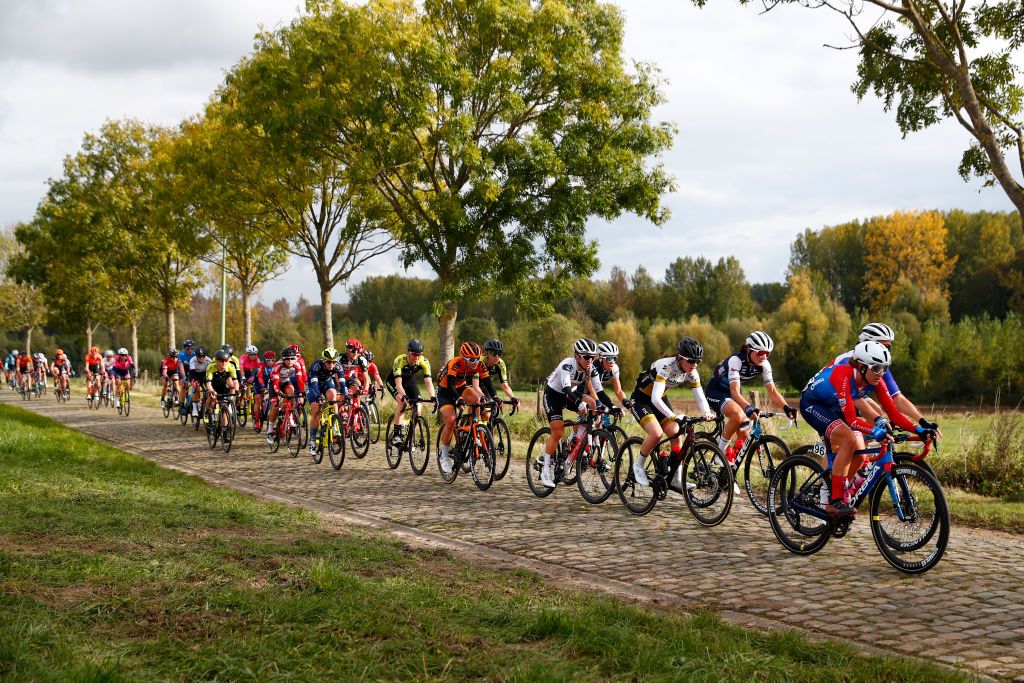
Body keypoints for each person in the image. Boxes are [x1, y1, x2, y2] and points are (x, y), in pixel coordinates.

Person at [800, 341, 935, 516]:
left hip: (833, 406)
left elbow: (893, 414)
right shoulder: (844, 376)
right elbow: (852, 419)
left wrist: (919, 430)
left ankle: (837, 492)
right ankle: (834, 501)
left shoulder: (875, 380)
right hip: (813, 404)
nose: (882, 373)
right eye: (877, 368)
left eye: (885, 368)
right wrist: (876, 431)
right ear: (862, 367)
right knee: (848, 439)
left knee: (860, 453)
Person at [628, 337, 715, 491]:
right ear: (680, 358)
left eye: (697, 362)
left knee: (677, 434)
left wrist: (707, 413)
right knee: (656, 433)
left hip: (660, 399)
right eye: (691, 361)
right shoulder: (666, 366)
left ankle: (675, 479)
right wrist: (673, 416)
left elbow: (699, 395)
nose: (694, 365)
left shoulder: (691, 372)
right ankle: (638, 466)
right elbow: (654, 398)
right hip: (642, 400)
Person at [829, 322, 942, 438]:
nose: (886, 351)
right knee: (868, 423)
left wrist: (923, 422)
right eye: (883, 346)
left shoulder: (878, 367)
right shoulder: (849, 362)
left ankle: (865, 452)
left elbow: (898, 399)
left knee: (877, 414)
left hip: (853, 397)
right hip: (829, 399)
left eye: (889, 347)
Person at [704, 331, 797, 463]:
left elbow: (772, 391)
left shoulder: (764, 365)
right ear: (749, 350)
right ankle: (719, 455)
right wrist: (748, 408)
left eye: (767, 353)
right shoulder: (736, 360)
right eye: (760, 353)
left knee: (744, 439)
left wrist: (786, 407)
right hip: (716, 392)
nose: (764, 357)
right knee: (737, 415)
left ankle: (727, 475)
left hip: (732, 393)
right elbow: (735, 392)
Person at [538, 338, 602, 488]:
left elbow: (599, 391)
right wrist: (579, 403)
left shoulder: (590, 368)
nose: (590, 360)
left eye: (593, 357)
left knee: (592, 408)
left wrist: (607, 406)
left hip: (568, 396)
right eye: (587, 357)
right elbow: (567, 388)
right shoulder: (567, 365)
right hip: (553, 395)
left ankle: (574, 440)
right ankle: (546, 469)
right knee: (558, 431)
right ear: (577, 356)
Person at [436, 341, 489, 476]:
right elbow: (450, 385)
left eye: (477, 359)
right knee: (451, 420)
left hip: (460, 388)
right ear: (464, 358)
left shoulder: (479, 365)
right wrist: (458, 399)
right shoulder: (455, 363)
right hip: (446, 391)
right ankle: (444, 455)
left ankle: (475, 430)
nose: (475, 362)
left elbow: (488, 382)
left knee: (476, 399)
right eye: (471, 360)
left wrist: (495, 397)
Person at [387, 339, 437, 447]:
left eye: (419, 355)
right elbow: (398, 384)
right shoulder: (399, 360)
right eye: (414, 354)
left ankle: (409, 431)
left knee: (418, 409)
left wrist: (433, 396)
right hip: (394, 382)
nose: (417, 357)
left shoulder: (424, 361)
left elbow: (428, 382)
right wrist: (404, 396)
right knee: (402, 402)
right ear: (408, 353)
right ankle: (396, 435)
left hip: (409, 382)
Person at [307, 347, 348, 455]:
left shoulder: (338, 367)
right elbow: (314, 385)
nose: (331, 365)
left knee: (333, 395)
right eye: (328, 362)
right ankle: (312, 442)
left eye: (333, 362)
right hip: (313, 386)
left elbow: (343, 383)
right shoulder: (316, 366)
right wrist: (318, 396)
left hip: (326, 384)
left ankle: (334, 424)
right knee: (316, 410)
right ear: (324, 361)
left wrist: (346, 394)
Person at [265, 347, 307, 445]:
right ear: (283, 359)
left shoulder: (297, 364)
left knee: (292, 396)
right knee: (275, 406)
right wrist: (278, 392)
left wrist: (302, 391)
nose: (289, 361)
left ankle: (290, 417)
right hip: (274, 384)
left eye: (292, 358)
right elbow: (275, 382)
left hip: (286, 382)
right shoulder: (278, 365)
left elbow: (300, 380)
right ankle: (270, 430)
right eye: (287, 359)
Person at [479, 339, 521, 413]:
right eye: (494, 353)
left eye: (499, 353)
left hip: (485, 386)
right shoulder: (480, 361)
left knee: (490, 411)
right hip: (472, 383)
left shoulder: (501, 364)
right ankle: (471, 422)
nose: (497, 356)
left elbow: (505, 385)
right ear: (487, 353)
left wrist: (512, 397)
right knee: (477, 406)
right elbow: (475, 384)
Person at [594, 341, 630, 419]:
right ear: (601, 358)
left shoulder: (614, 368)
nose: (612, 361)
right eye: (609, 358)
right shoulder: (594, 368)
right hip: (582, 391)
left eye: (614, 358)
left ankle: (600, 431)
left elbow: (618, 391)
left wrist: (627, 403)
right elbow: (599, 393)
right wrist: (612, 406)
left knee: (603, 418)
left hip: (596, 391)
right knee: (593, 419)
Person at [204, 350, 238, 430]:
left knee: (224, 410)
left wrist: (236, 390)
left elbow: (235, 381)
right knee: (211, 397)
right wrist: (211, 391)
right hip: (213, 383)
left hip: (223, 384)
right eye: (221, 361)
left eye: (226, 360)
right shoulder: (211, 367)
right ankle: (207, 413)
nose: (224, 363)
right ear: (217, 361)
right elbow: (208, 383)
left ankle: (225, 429)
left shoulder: (231, 366)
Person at [252, 350, 277, 432]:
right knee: (258, 399)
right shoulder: (261, 365)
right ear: (265, 360)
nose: (270, 362)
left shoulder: (276, 366)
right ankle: (256, 421)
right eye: (268, 360)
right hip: (258, 382)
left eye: (272, 360)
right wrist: (263, 386)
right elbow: (259, 377)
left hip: (269, 382)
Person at [187, 347, 212, 418]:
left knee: (208, 390)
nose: (201, 358)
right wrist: (194, 381)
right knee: (197, 387)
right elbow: (192, 373)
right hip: (195, 374)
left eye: (203, 356)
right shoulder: (193, 360)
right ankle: (195, 408)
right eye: (199, 356)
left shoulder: (208, 360)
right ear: (196, 356)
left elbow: (211, 372)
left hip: (204, 375)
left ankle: (205, 405)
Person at [176, 340, 196, 415]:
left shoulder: (194, 355)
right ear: (185, 349)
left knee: (194, 385)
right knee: (184, 385)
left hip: (190, 371)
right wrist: (184, 378)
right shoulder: (181, 355)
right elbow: (181, 367)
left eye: (191, 348)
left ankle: (191, 402)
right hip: (182, 371)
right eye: (188, 349)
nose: (190, 350)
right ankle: (181, 404)